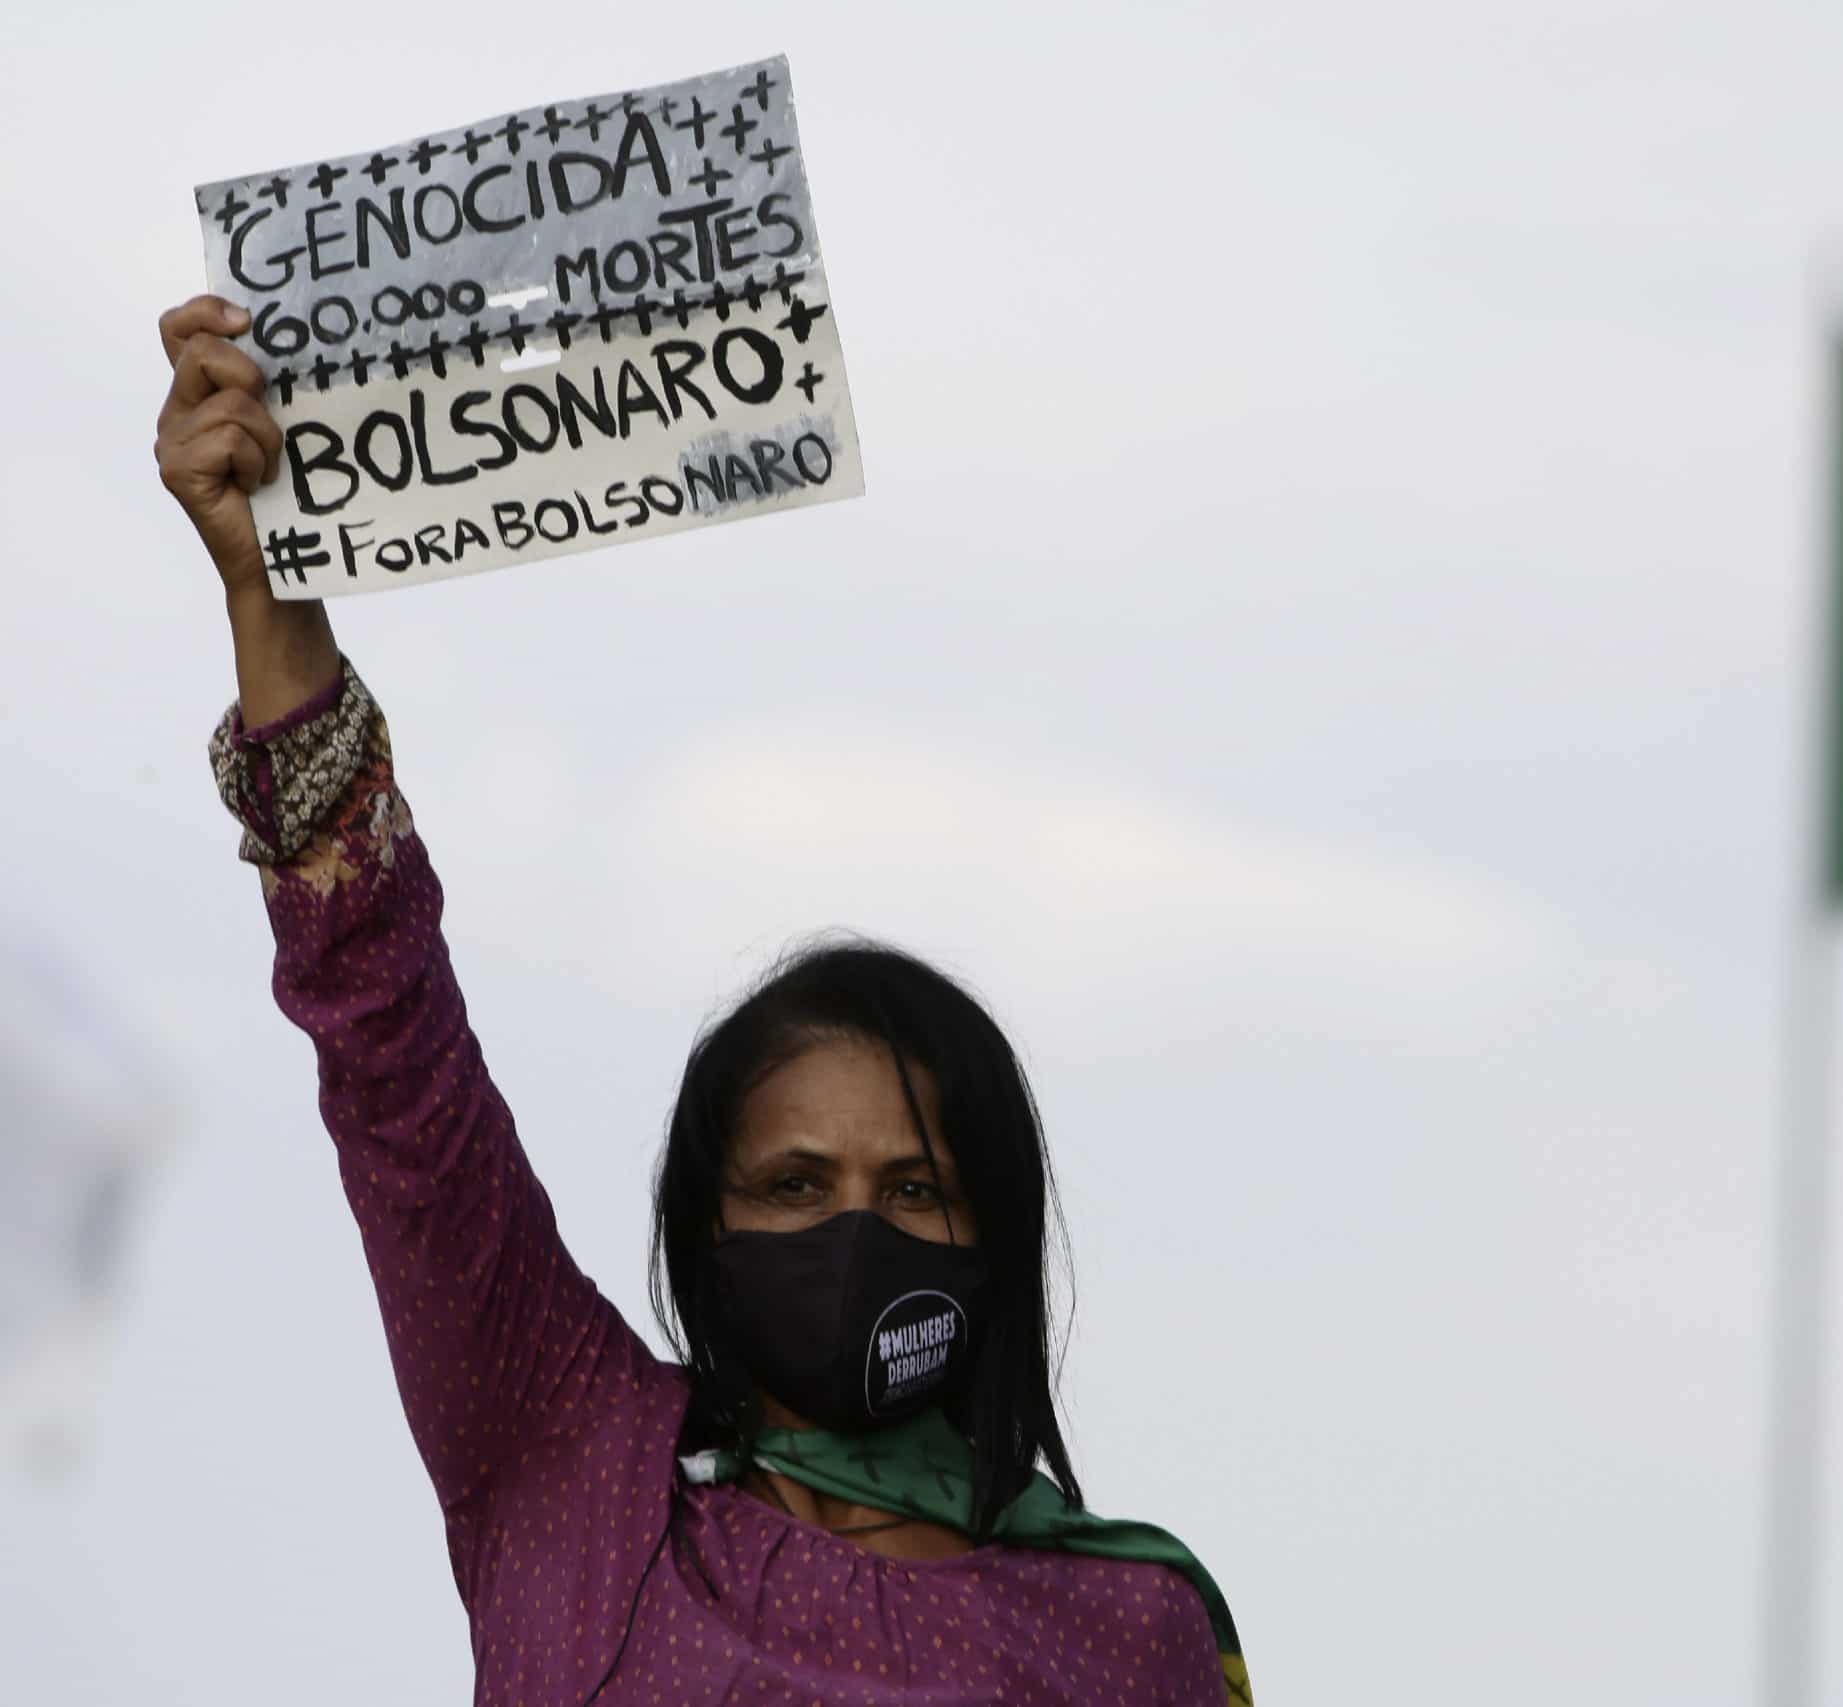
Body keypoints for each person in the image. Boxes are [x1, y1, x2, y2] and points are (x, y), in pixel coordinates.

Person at [153, 294, 1250, 1706]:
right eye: (795, 1185)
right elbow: (393, 1065)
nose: (856, 1228)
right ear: (707, 1221)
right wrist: (270, 588)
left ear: (993, 1231)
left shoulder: (1128, 1626)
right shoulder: (567, 1459)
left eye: (914, 1188)